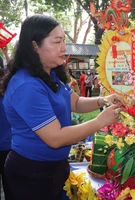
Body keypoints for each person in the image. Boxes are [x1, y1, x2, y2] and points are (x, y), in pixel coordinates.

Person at [0, 14, 125, 200]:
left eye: (64, 41)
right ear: (35, 46)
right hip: (32, 173)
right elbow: (55, 138)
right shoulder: (27, 85)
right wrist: (100, 121)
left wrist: (103, 100)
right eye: (57, 42)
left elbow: (74, 102)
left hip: (55, 167)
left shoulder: (50, 74)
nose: (64, 48)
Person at [0, 51, 12, 200]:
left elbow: (13, 71)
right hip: (8, 147)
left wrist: (6, 53)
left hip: (9, 147)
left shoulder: (8, 96)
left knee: (9, 185)